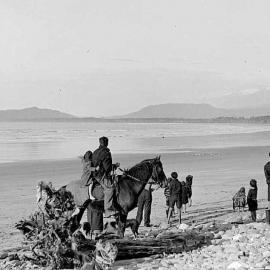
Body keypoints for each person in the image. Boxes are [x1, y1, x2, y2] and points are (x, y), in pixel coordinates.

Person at [92, 137, 119, 234]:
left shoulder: (95, 151)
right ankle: (108, 210)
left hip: (94, 175)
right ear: (107, 143)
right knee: (110, 188)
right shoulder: (106, 152)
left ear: (99, 143)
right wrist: (114, 166)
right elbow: (107, 167)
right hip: (101, 176)